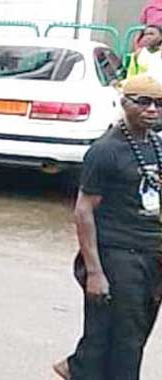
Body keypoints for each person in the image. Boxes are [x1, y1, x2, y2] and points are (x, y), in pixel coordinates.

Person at [53, 74, 162, 380]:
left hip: (151, 254)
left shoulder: (156, 144)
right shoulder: (105, 151)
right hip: (118, 255)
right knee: (124, 338)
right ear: (123, 102)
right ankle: (81, 368)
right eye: (143, 101)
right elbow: (84, 211)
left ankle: (79, 367)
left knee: (135, 333)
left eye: (159, 103)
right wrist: (95, 272)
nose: (152, 109)